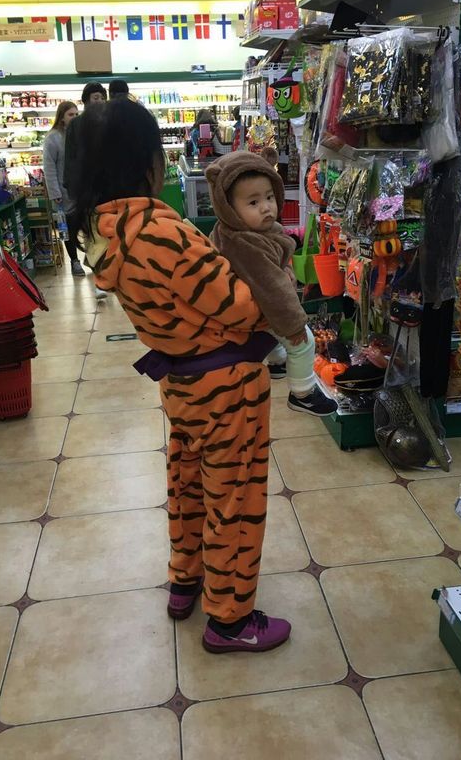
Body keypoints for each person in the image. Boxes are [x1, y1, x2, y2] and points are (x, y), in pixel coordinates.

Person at [70, 97, 291, 654]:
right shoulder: (158, 229)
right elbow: (241, 307)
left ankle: (185, 579)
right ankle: (230, 619)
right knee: (233, 498)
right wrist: (272, 274)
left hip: (181, 381)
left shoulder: (97, 231)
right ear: (147, 161)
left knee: (188, 484)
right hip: (227, 387)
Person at [206, 149, 337, 417]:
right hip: (255, 305)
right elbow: (273, 289)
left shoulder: (244, 230)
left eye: (269, 197)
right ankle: (303, 393)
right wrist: (294, 325)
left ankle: (277, 361)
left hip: (254, 305)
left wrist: (285, 268)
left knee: (273, 332)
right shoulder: (245, 243)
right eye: (253, 203)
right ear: (228, 208)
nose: (266, 207)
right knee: (304, 341)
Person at [63, 81, 108, 293]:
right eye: (95, 98)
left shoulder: (109, 122)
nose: (99, 101)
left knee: (108, 229)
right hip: (86, 187)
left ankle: (111, 271)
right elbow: (70, 157)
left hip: (108, 184)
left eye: (101, 97)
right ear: (86, 100)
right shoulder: (76, 125)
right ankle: (98, 276)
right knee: (90, 230)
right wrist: (71, 186)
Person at [43, 101, 86, 274]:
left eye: (76, 114)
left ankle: (91, 259)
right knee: (67, 229)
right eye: (70, 114)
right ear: (61, 118)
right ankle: (74, 261)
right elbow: (49, 167)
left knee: (86, 225)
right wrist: (55, 192)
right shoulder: (53, 138)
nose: (74, 118)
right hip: (63, 192)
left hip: (81, 191)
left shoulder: (81, 135)